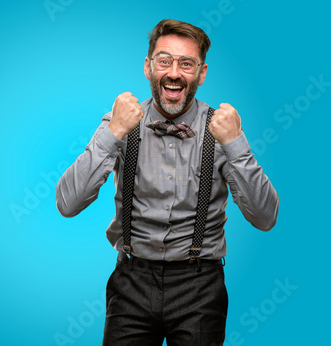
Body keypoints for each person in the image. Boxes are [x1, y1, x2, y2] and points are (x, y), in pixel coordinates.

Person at [56, 19, 279, 345]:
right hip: (131, 280)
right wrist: (113, 133)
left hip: (200, 285)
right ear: (148, 68)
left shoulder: (222, 130)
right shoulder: (120, 123)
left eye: (186, 64)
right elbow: (67, 204)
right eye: (164, 60)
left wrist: (235, 144)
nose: (174, 72)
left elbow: (265, 218)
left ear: (201, 74)